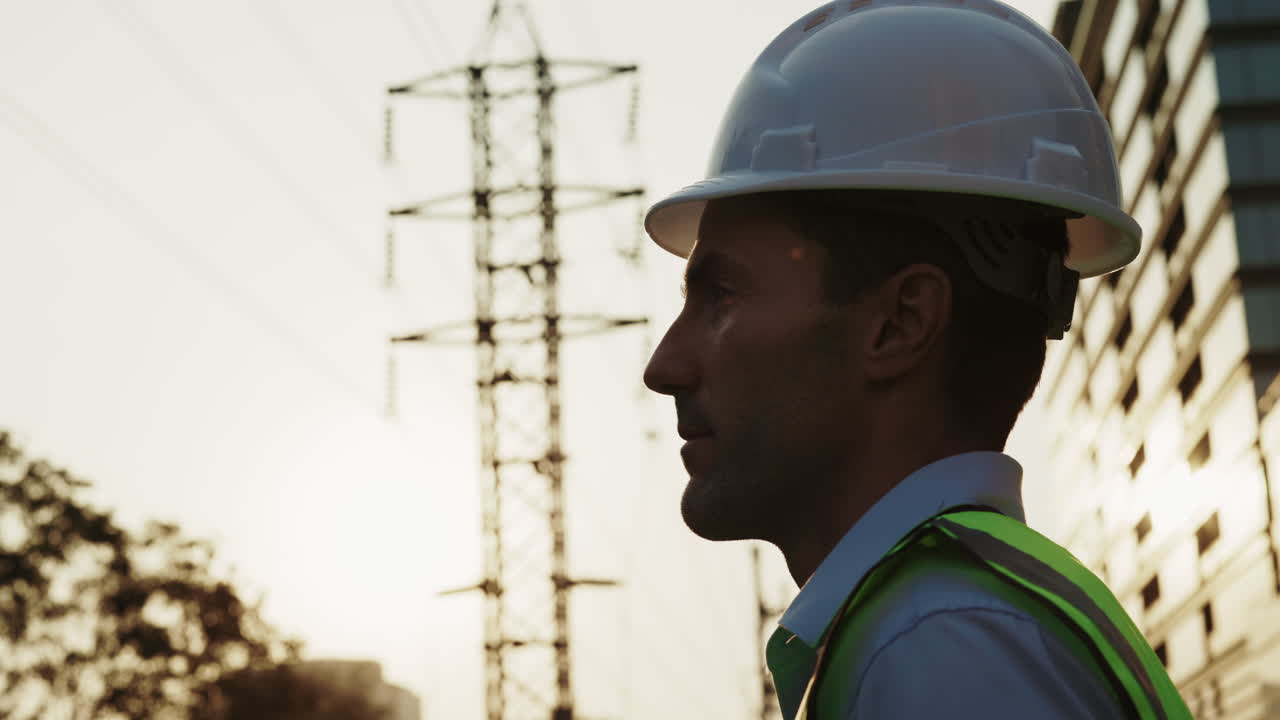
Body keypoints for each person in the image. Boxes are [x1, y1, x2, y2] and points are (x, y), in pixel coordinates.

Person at [641, 1, 1193, 718]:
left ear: (899, 324)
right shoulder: (947, 629)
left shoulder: (938, 649)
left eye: (721, 293)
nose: (664, 366)